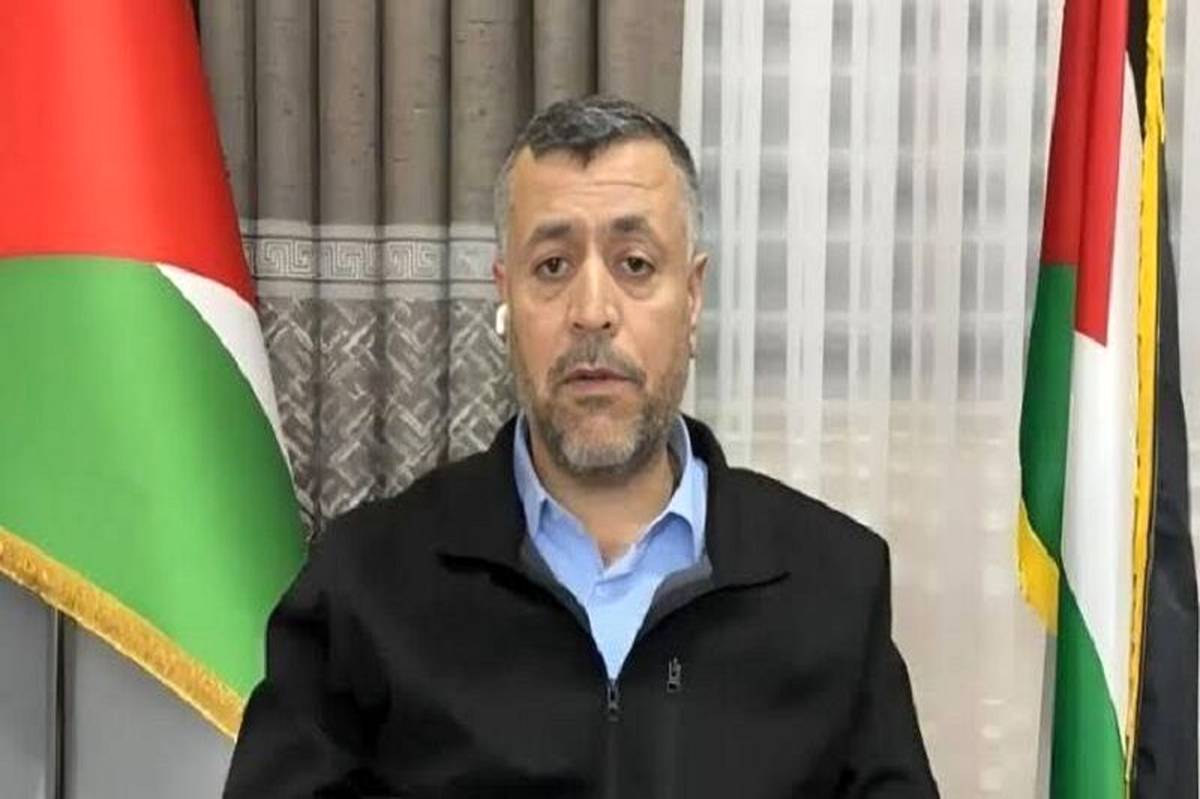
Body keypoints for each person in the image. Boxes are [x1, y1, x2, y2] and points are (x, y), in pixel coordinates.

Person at [224, 95, 938, 798]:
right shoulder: (368, 581)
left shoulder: (832, 584)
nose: (592, 312)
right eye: (552, 266)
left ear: (692, 297)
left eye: (635, 264)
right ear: (506, 296)